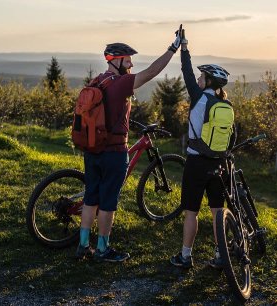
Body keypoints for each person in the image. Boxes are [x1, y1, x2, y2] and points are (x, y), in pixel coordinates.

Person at [76, 29, 184, 262]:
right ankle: (103, 249)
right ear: (116, 61)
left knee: (90, 199)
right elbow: (153, 71)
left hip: (92, 149)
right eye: (128, 59)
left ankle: (83, 246)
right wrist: (173, 48)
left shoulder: (97, 81)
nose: (132, 63)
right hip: (113, 152)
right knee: (107, 203)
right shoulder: (121, 82)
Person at [168, 30, 235, 268]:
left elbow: (186, 70)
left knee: (191, 212)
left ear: (207, 82)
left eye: (202, 77)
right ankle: (220, 256)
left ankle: (185, 256)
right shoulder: (225, 104)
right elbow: (231, 136)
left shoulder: (199, 97)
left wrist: (184, 47)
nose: (197, 80)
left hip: (196, 162)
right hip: (218, 163)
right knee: (218, 211)